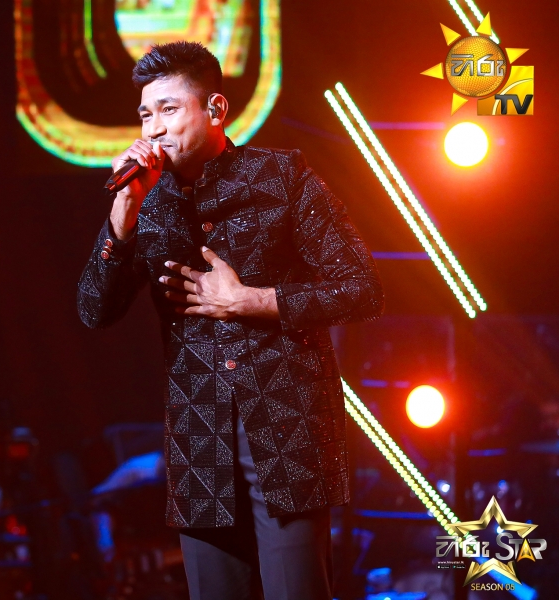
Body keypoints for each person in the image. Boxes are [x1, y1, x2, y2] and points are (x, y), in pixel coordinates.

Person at [77, 41, 384, 599]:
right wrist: (121, 220)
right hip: (201, 449)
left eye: (169, 109)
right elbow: (94, 310)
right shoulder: (147, 203)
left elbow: (362, 289)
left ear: (215, 109)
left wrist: (251, 301)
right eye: (145, 114)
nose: (154, 128)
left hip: (287, 438)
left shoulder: (282, 177)